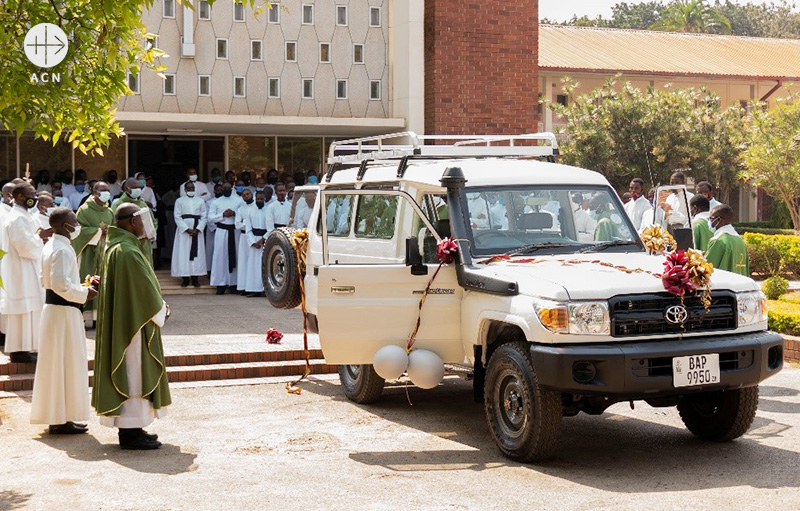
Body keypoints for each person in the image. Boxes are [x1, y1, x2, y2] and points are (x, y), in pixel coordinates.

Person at [93, 203, 170, 450]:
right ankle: (130, 433)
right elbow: (143, 290)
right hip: (133, 325)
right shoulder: (127, 251)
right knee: (134, 373)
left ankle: (135, 428)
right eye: (141, 219)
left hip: (127, 320)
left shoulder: (118, 246)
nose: (145, 224)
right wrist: (161, 309)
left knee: (134, 371)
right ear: (130, 222)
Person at [30, 208, 98, 435]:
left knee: (62, 363)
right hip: (62, 312)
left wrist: (82, 287)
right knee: (63, 362)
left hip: (58, 311)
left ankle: (62, 416)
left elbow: (50, 280)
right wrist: (85, 293)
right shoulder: (60, 249)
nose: (77, 225)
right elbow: (60, 285)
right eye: (74, 222)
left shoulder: (52, 245)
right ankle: (58, 419)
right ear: (64, 226)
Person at [0, 184, 51, 363]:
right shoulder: (17, 218)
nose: (35, 198)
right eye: (31, 195)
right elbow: (24, 246)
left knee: (30, 309)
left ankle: (28, 347)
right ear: (20, 196)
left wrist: (39, 236)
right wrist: (41, 237)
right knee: (23, 310)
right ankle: (18, 350)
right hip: (21, 270)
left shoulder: (24, 215)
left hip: (27, 268)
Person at [73, 182, 114, 327]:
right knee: (87, 279)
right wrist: (97, 231)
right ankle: (84, 317)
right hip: (89, 252)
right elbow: (78, 231)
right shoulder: (84, 210)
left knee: (104, 282)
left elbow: (114, 230)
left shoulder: (109, 211)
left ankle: (99, 318)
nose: (106, 193)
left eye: (108, 190)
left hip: (104, 251)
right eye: (103, 190)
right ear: (95, 191)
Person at [112, 178, 158, 267]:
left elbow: (153, 222)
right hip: (127, 243)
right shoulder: (118, 204)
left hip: (144, 243)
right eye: (134, 187)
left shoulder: (143, 204)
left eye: (139, 187)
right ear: (127, 189)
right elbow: (114, 225)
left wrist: (150, 232)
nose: (138, 190)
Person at [208, 182, 244, 294]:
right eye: (225, 188)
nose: (227, 189)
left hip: (235, 232)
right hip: (221, 232)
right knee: (220, 257)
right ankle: (220, 284)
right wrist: (222, 215)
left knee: (236, 256)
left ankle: (234, 283)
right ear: (221, 189)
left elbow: (243, 214)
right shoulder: (216, 202)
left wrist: (234, 213)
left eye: (229, 188)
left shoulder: (239, 201)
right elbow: (210, 218)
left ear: (232, 188)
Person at [171, 181, 207, 287]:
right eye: (189, 188)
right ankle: (185, 278)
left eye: (192, 188)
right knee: (183, 253)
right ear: (185, 189)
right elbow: (177, 216)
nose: (191, 190)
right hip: (184, 231)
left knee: (197, 253)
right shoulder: (179, 201)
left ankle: (195, 278)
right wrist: (186, 229)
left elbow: (204, 216)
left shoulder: (200, 201)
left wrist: (198, 229)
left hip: (197, 229)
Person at [705, 205, 749, 276]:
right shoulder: (740, 241)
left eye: (711, 218)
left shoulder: (718, 241)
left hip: (724, 285)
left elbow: (707, 269)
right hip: (740, 285)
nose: (709, 221)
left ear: (718, 220)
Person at [241, 190, 269, 297]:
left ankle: (265, 289)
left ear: (265, 199)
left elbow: (270, 228)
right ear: (255, 199)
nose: (260, 201)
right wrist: (253, 242)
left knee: (264, 264)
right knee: (253, 265)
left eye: (261, 199)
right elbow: (248, 229)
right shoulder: (250, 211)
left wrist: (262, 240)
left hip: (265, 240)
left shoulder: (268, 210)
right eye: (258, 199)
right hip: (254, 240)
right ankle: (253, 289)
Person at [235, 189, 255, 294]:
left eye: (248, 194)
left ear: (252, 194)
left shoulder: (257, 207)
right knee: (243, 263)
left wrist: (246, 222)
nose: (246, 196)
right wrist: (249, 224)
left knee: (253, 263)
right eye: (244, 195)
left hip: (255, 237)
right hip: (244, 238)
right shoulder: (240, 209)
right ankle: (243, 287)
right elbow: (237, 225)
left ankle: (253, 287)